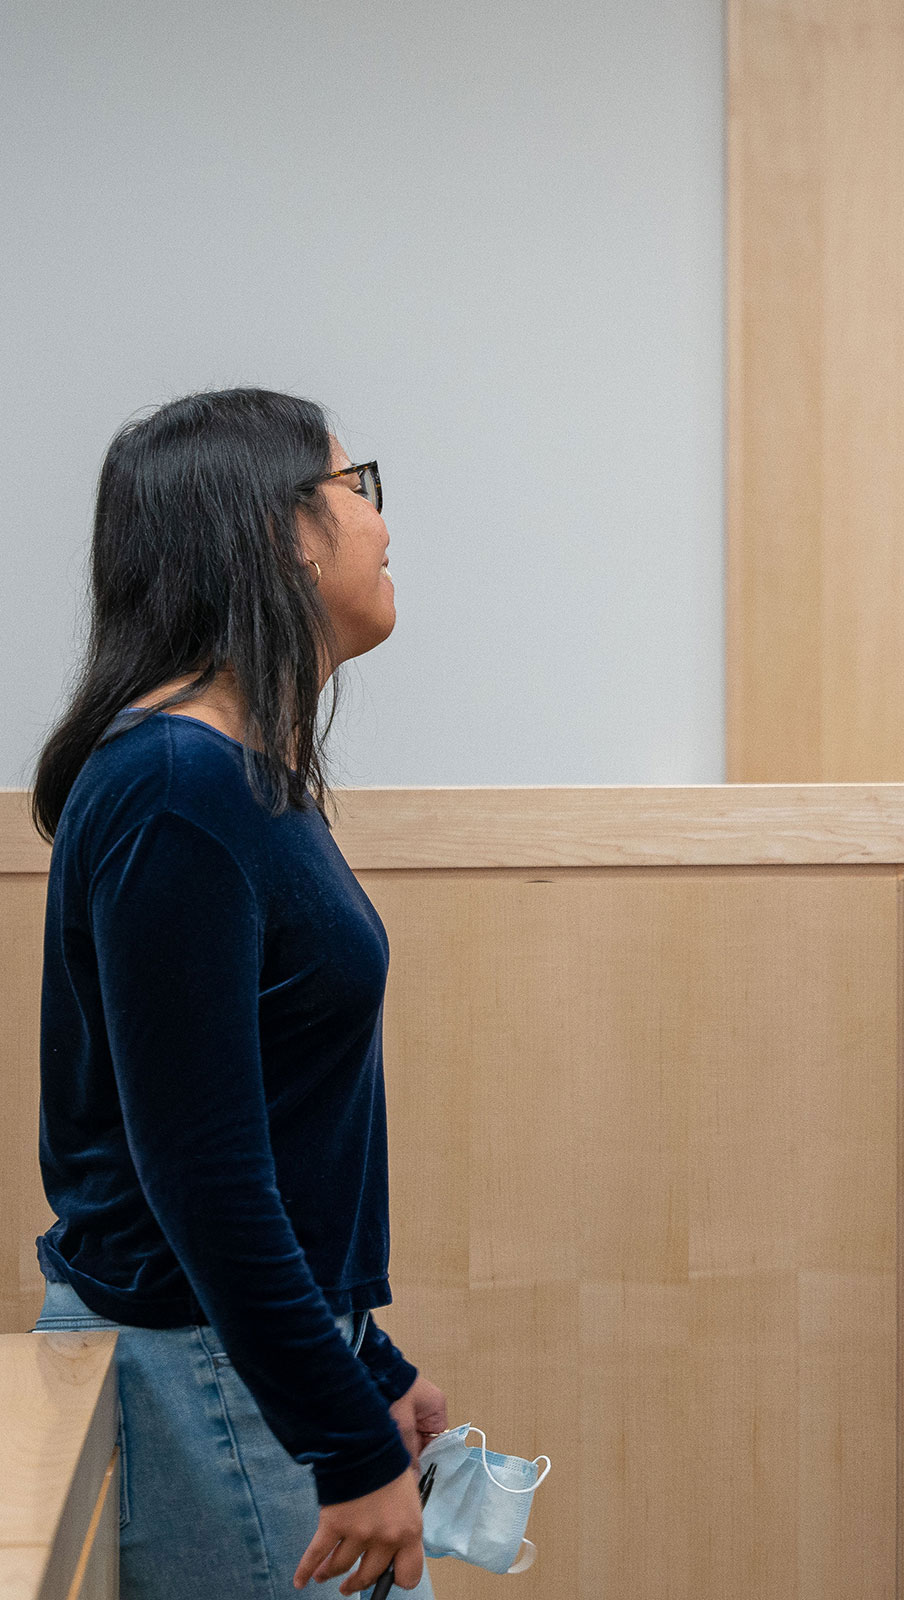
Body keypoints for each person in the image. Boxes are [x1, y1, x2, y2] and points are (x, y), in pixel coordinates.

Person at [31, 388, 443, 1598]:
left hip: (250, 1365)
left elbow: (260, 1129)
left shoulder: (226, 775)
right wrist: (341, 1430)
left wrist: (367, 1365)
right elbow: (201, 1174)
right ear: (276, 532)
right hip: (205, 1378)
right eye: (350, 485)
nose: (379, 521)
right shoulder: (176, 787)